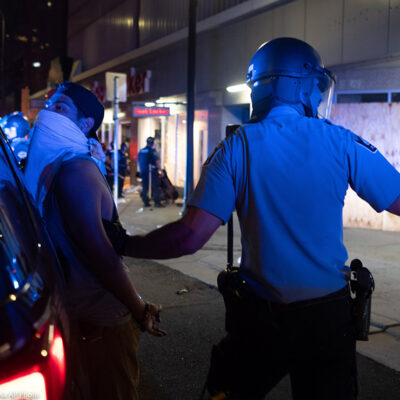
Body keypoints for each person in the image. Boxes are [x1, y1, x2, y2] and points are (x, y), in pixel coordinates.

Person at [103, 38, 400, 399]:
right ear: (299, 85)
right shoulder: (341, 141)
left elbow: (189, 237)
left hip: (262, 317)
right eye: (315, 86)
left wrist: (126, 244)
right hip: (327, 318)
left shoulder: (236, 147)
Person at [24, 81, 166, 400]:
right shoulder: (72, 164)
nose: (46, 116)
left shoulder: (76, 170)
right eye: (47, 107)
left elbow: (101, 255)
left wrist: (138, 308)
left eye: (59, 108)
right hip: (85, 317)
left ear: (85, 123)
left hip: (104, 321)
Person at [138, 136, 164, 207]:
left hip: (143, 171)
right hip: (151, 171)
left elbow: (139, 161)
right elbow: (157, 162)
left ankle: (146, 201)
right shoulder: (152, 151)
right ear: (152, 143)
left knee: (145, 186)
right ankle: (157, 202)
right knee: (155, 186)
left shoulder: (141, 150)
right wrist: (161, 171)